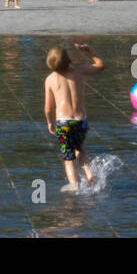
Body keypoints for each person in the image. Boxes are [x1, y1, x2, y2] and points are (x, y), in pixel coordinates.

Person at [44, 42, 106, 192]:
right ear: (68, 59)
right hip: (80, 122)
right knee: (80, 148)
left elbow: (48, 108)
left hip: (63, 123)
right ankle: (89, 174)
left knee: (68, 157)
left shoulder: (50, 79)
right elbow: (101, 65)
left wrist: (50, 123)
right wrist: (90, 50)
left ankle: (74, 185)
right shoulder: (79, 71)